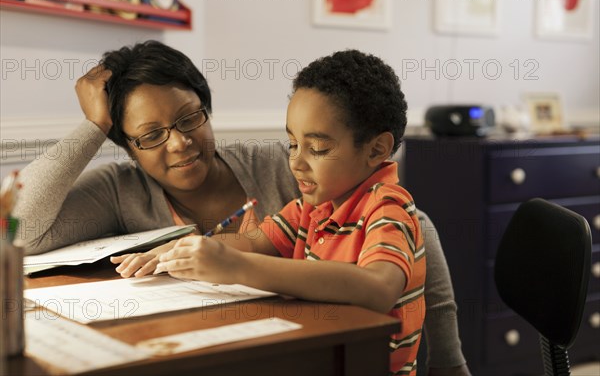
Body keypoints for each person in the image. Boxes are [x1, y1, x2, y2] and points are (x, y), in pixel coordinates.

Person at [13, 41, 470, 375]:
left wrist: (449, 363)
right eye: (150, 136)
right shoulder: (121, 189)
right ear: (129, 148)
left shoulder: (316, 180)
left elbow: (408, 234)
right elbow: (18, 228)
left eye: (190, 118)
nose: (179, 143)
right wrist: (182, 250)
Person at [150, 49, 417, 374]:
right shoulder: (312, 208)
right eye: (292, 145)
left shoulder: (388, 206)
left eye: (317, 148)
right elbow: (251, 242)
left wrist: (238, 266)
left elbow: (378, 289)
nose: (296, 162)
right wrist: (187, 251)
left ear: (376, 149)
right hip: (316, 356)